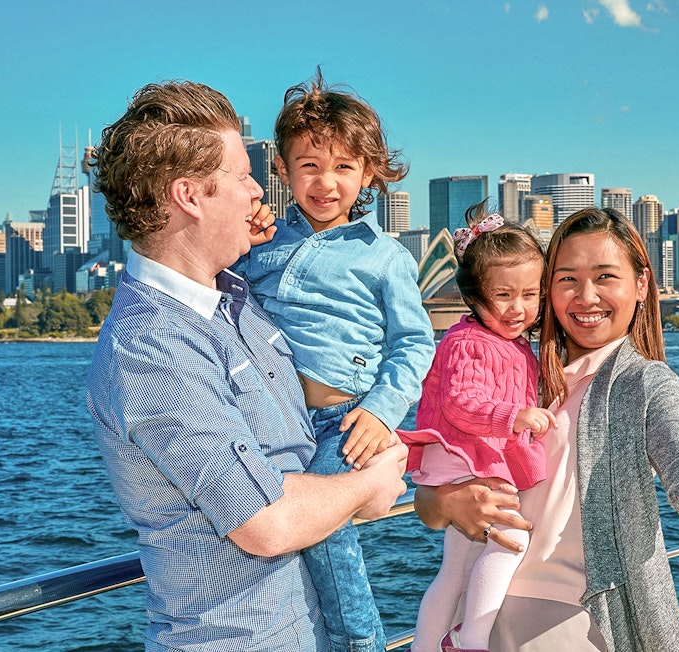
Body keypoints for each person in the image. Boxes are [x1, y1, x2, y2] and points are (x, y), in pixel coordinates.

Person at [414, 207, 679, 652]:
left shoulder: (646, 385)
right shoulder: (517, 369)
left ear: (641, 285)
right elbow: (433, 504)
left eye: (605, 277)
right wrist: (442, 498)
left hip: (572, 622)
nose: (586, 296)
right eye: (567, 279)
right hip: (471, 618)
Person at [85, 80, 408, 652]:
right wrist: (369, 484)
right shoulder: (151, 348)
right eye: (241, 176)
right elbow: (266, 522)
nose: (259, 188)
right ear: (189, 194)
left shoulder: (237, 297)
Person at [231, 69, 435, 652]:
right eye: (309, 166)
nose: (325, 182)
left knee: (323, 529)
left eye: (344, 167)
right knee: (259, 529)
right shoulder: (262, 243)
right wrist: (237, 237)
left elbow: (414, 343)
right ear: (283, 171)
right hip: (271, 418)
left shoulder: (385, 256)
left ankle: (358, 643)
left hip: (344, 421)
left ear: (369, 173)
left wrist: (381, 411)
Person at [398, 200, 555, 652]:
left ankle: (425, 646)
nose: (518, 308)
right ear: (474, 296)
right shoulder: (469, 343)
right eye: (503, 296)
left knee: (456, 569)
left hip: (465, 460)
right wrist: (514, 418)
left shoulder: (512, 344)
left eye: (529, 295)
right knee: (510, 542)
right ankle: (472, 639)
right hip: (470, 459)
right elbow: (462, 403)